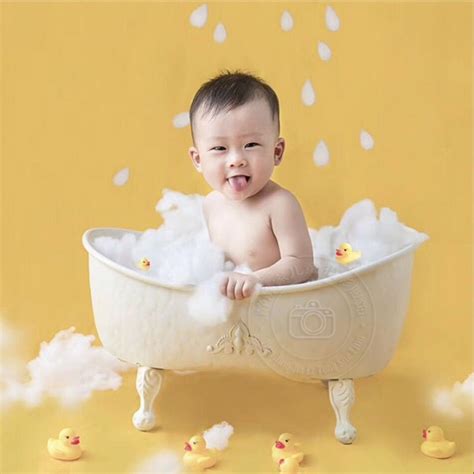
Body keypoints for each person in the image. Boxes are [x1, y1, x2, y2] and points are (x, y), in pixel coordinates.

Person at [188, 70, 318, 300]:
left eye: (251, 144)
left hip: (278, 309)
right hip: (238, 314)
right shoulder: (211, 204)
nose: (236, 159)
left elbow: (303, 265)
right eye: (219, 148)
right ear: (198, 160)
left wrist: (256, 280)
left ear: (276, 152)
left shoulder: (279, 205)